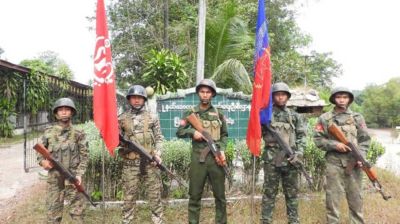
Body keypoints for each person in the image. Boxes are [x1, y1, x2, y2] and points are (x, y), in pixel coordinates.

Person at [314, 87, 371, 224]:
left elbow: (365, 140)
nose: (341, 99)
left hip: (354, 164)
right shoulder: (324, 118)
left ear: (349, 99)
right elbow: (318, 139)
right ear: (334, 99)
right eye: (338, 97)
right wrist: (335, 145)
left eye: (345, 97)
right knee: (332, 199)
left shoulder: (357, 117)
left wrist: (360, 157)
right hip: (334, 163)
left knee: (356, 199)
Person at [176, 79, 228, 224]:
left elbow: (224, 135)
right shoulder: (190, 112)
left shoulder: (219, 113)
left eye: (208, 92)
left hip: (216, 158)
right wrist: (193, 132)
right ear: (198, 93)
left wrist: (222, 150)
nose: (205, 95)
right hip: (199, 158)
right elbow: (179, 131)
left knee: (220, 195)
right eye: (202, 92)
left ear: (212, 94)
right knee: (194, 195)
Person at [260, 82, 306, 224]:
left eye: (283, 95)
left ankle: (293, 221)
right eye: (277, 95)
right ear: (273, 97)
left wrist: (298, 154)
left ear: (287, 97)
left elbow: (301, 136)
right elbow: (257, 133)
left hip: (291, 160)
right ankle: (266, 221)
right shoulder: (265, 115)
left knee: (291, 194)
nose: (280, 97)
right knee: (269, 194)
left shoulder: (294, 116)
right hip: (271, 160)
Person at [37, 97, 89, 224]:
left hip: (73, 177)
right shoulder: (48, 133)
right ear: (56, 113)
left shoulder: (78, 133)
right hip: (54, 178)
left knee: (77, 213)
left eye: (67, 110)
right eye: (61, 110)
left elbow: (85, 155)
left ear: (72, 112)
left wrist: (79, 174)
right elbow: (39, 152)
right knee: (53, 212)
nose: (64, 112)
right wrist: (42, 162)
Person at [118, 85, 164, 224]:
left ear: (144, 99)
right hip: (130, 164)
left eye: (139, 98)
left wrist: (158, 153)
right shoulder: (121, 118)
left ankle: (158, 220)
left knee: (155, 195)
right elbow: (115, 139)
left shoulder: (152, 117)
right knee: (128, 197)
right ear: (129, 100)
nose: (136, 100)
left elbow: (159, 138)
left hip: (150, 163)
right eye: (133, 98)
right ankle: (127, 221)